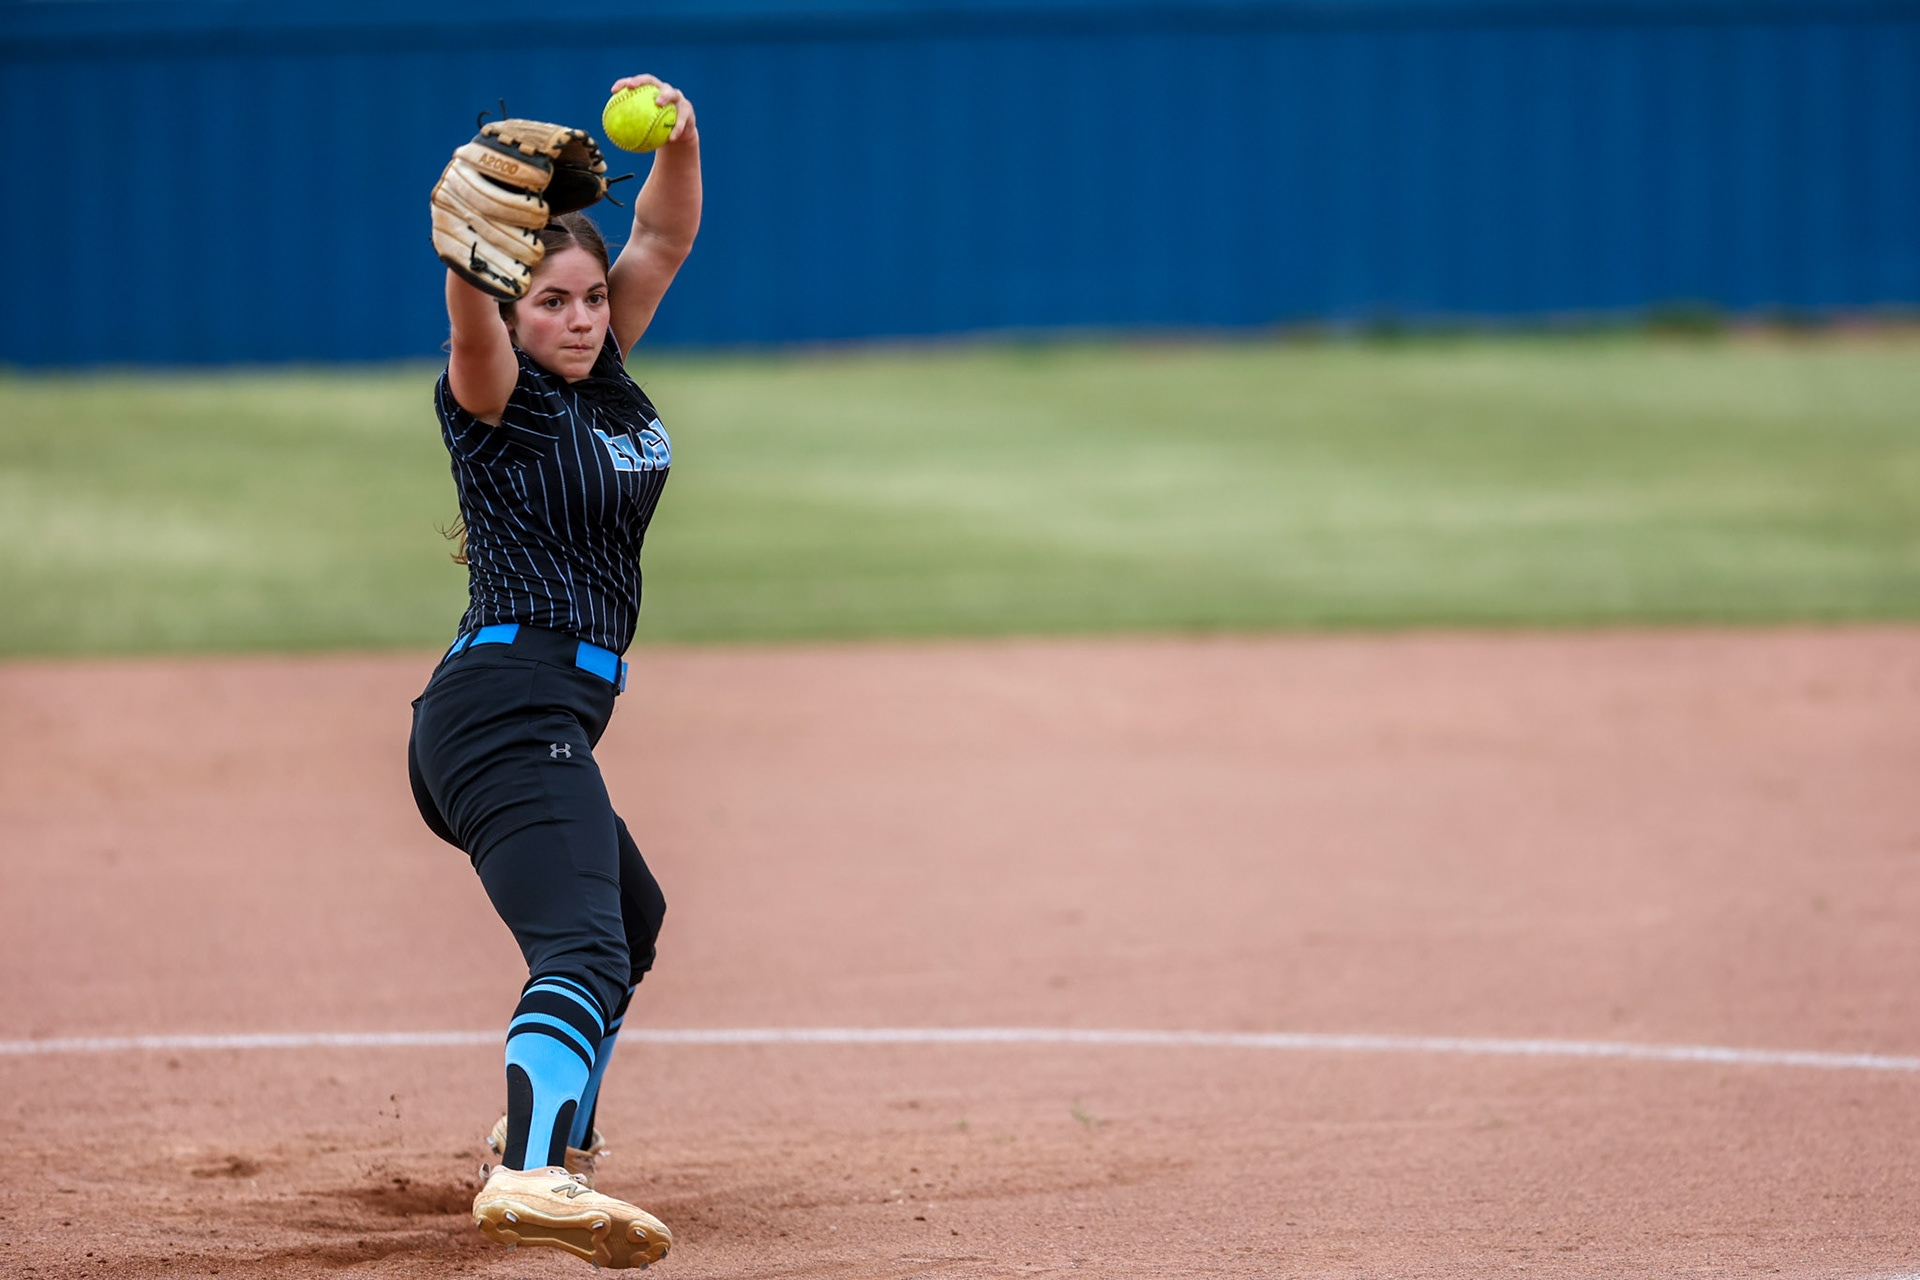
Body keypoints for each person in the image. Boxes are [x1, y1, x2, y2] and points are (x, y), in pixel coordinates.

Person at [406, 73, 699, 1271]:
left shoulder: (607, 370)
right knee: (579, 942)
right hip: (502, 707)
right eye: (549, 301)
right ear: (511, 305)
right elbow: (474, 324)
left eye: (588, 300)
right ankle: (528, 1173)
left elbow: (665, 233)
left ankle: (549, 1132)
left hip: (540, 707)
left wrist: (683, 132)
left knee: (629, 920)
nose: (577, 319)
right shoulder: (497, 400)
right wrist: (475, 267)